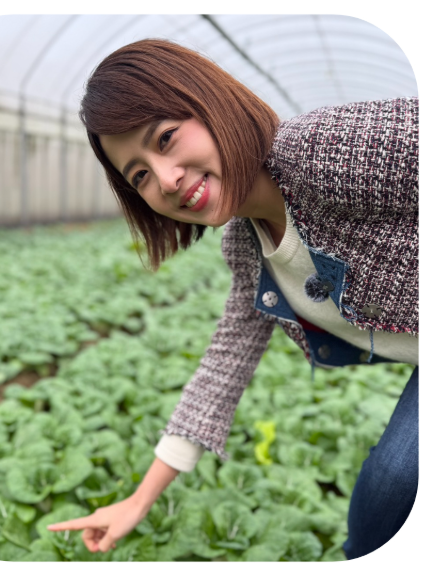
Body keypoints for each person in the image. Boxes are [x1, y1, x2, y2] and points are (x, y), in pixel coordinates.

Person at [47, 39, 417, 560]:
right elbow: (225, 365)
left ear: (211, 102)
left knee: (400, 474)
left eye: (167, 138)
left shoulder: (324, 149)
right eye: (141, 175)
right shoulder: (246, 244)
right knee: (386, 493)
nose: (168, 178)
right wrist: (137, 501)